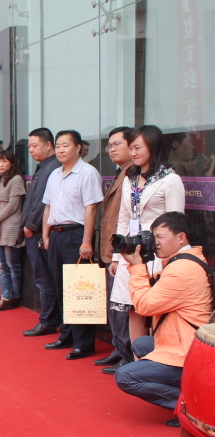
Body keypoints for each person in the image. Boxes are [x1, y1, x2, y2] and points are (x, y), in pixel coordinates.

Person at [115, 211, 214, 426]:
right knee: (142, 344)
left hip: (189, 353)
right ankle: (190, 392)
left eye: (160, 237)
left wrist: (137, 267)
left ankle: (192, 407)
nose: (155, 243)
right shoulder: (182, 260)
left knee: (126, 376)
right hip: (187, 342)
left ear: (181, 237)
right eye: (153, 237)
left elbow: (145, 306)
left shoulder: (182, 269)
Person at [108, 125, 186, 370]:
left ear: (153, 147)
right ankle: (134, 362)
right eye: (130, 148)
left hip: (158, 253)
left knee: (153, 310)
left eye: (137, 147)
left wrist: (170, 258)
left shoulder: (170, 180)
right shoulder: (130, 177)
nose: (132, 153)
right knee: (132, 309)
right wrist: (116, 255)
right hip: (130, 252)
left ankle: (154, 365)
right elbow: (123, 217)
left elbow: (176, 221)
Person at [42, 130, 104, 359]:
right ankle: (66, 334)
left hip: (76, 235)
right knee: (60, 287)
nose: (60, 150)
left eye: (65, 145)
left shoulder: (87, 173)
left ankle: (84, 343)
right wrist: (46, 235)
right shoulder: (54, 174)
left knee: (80, 289)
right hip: (56, 235)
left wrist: (87, 242)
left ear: (78, 148)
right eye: (57, 146)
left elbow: (92, 208)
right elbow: (47, 206)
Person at [96, 127, 134, 371]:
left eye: (116, 144)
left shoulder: (133, 175)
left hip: (125, 250)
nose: (111, 150)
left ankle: (126, 355)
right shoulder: (121, 172)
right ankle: (119, 349)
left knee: (122, 308)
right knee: (114, 306)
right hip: (112, 249)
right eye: (109, 146)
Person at [20, 128, 62, 336]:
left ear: (48, 145)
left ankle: (48, 320)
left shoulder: (52, 168)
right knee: (44, 278)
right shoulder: (45, 167)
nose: (31, 150)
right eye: (29, 146)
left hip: (38, 232)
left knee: (45, 278)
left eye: (34, 146)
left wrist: (29, 226)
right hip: (36, 231)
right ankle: (49, 318)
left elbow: (41, 203)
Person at [0, 149, 27, 311]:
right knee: (1, 265)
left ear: (11, 163)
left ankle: (14, 296)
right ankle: (5, 296)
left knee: (12, 264)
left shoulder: (16, 179)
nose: (1, 165)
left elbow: (13, 205)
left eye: (4, 161)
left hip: (11, 224)